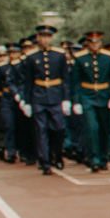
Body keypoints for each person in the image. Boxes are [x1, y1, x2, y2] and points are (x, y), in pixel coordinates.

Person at [18, 25, 74, 175]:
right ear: (38, 37)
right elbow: (28, 81)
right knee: (40, 130)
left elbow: (65, 79)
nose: (45, 39)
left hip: (56, 96)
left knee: (59, 129)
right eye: (42, 36)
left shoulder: (59, 55)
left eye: (48, 36)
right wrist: (27, 101)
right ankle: (44, 162)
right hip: (38, 96)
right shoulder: (31, 57)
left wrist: (66, 99)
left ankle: (57, 154)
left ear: (52, 38)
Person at [71, 29, 110, 171]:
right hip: (87, 95)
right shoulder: (80, 58)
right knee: (91, 128)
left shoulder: (108, 57)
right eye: (91, 41)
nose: (94, 44)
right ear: (87, 42)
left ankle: (103, 158)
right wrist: (76, 101)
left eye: (97, 41)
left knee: (104, 128)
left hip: (104, 94)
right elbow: (75, 82)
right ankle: (94, 159)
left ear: (101, 42)